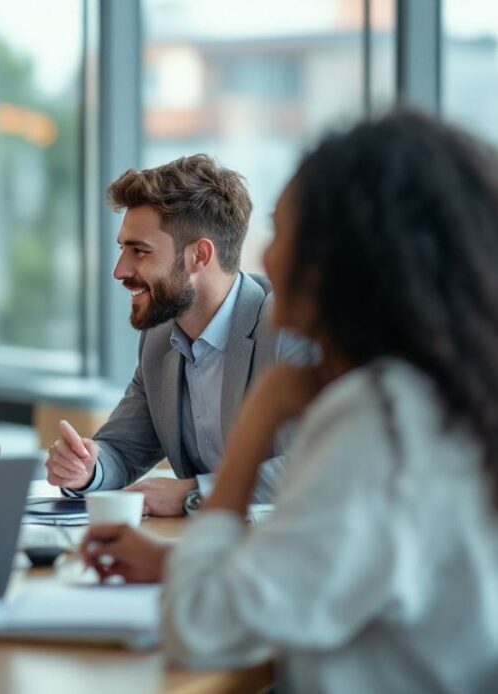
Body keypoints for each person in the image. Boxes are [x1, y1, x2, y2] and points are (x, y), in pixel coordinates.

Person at [81, 111, 498, 692]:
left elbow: (199, 628)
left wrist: (258, 420)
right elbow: (334, 573)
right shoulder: (439, 402)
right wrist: (174, 562)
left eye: (284, 232)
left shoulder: (378, 423)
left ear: (352, 260)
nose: (268, 260)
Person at [45, 155, 314, 516]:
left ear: (199, 255)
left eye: (139, 251)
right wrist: (88, 467)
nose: (119, 270)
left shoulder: (285, 326)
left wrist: (193, 493)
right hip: (202, 549)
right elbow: (123, 450)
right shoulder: (160, 339)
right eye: (122, 248)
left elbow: (317, 468)